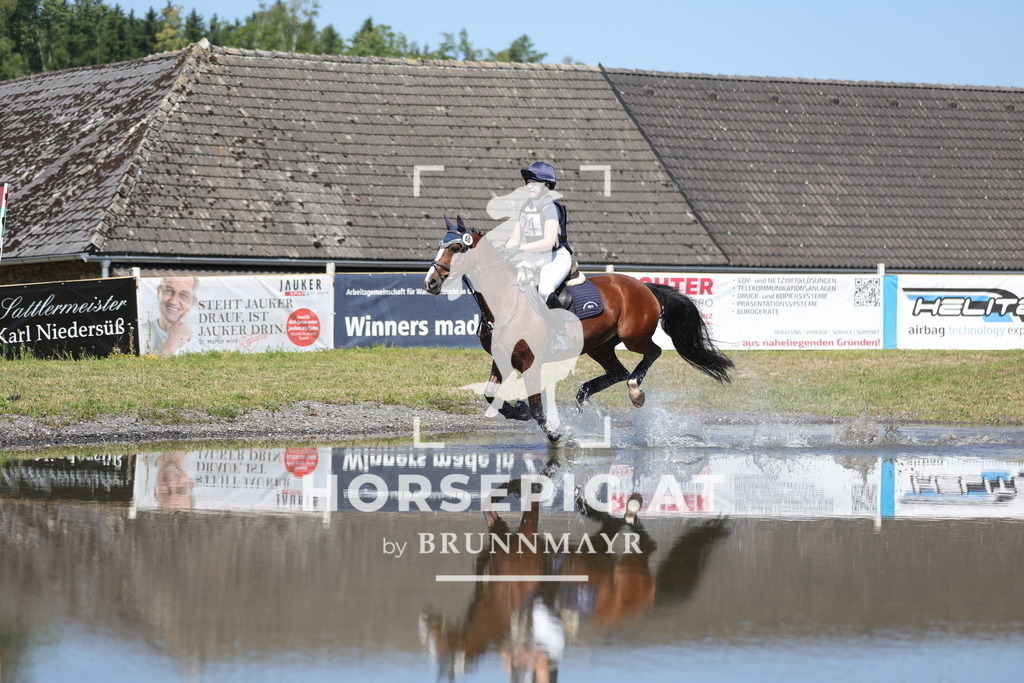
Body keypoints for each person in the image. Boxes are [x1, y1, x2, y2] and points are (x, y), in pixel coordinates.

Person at [503, 162, 573, 309]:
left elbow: (548, 242)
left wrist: (520, 249)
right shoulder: (526, 207)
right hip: (536, 258)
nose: (529, 186)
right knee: (511, 282)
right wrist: (503, 250)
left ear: (547, 185)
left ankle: (560, 329)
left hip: (555, 258)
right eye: (528, 182)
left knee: (545, 289)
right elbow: (515, 238)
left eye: (534, 183)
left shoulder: (551, 208)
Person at [148, 276, 199, 356]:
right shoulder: (138, 334)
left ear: (193, 302)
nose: (173, 301)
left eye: (184, 295)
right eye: (169, 291)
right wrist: (172, 343)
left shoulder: (200, 339)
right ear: (158, 292)